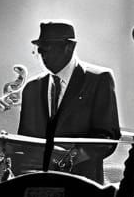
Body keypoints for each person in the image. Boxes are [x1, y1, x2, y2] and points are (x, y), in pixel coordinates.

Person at [17, 20, 120, 181]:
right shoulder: (31, 88)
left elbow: (107, 137)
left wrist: (73, 157)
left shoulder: (99, 79)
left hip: (82, 185)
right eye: (39, 48)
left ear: (70, 47)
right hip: (36, 184)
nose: (42, 54)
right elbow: (24, 141)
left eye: (47, 47)